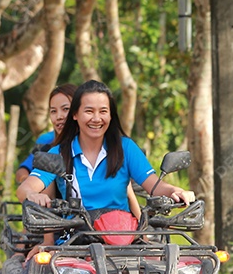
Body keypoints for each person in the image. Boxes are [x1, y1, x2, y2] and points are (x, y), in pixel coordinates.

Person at [16, 80, 193, 217]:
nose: (96, 118)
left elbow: (154, 186)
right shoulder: (59, 153)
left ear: (110, 115)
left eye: (103, 111)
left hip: (122, 241)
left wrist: (174, 191)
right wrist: (32, 194)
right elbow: (24, 189)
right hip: (75, 243)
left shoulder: (126, 148)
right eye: (89, 111)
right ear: (75, 114)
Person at [15, 83, 77, 184]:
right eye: (53, 111)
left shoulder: (95, 144)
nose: (59, 116)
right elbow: (24, 169)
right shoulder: (46, 143)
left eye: (66, 109)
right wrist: (28, 183)